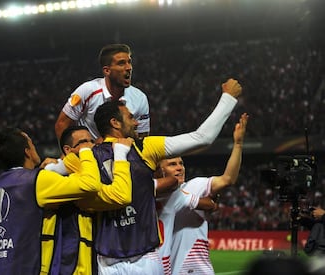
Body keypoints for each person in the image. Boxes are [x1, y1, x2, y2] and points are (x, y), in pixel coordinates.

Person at [91, 78, 242, 274]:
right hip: (142, 261)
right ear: (114, 123)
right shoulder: (144, 147)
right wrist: (228, 99)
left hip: (108, 260)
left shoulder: (88, 157)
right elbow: (202, 138)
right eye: (130, 117)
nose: (136, 122)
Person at [0, 127, 132, 275]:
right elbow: (90, 184)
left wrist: (59, 167)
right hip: (28, 268)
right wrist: (84, 152)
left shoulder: (0, 184)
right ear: (27, 151)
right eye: (32, 144)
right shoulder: (38, 180)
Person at [156, 113, 248, 275]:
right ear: (159, 170)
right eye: (172, 164)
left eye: (181, 163)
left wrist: (238, 144)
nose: (179, 167)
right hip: (169, 268)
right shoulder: (151, 194)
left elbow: (227, 179)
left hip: (195, 268)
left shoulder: (194, 186)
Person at [41, 125, 134, 275]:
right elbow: (120, 195)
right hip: (65, 266)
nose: (90, 146)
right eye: (84, 142)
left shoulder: (93, 176)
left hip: (91, 265)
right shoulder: (64, 181)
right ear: (68, 149)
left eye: (92, 141)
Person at [55, 43, 150, 142]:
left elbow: (142, 136)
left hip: (122, 152)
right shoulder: (87, 91)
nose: (129, 67)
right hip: (89, 154)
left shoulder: (140, 98)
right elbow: (62, 124)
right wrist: (69, 154)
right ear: (107, 71)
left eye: (129, 62)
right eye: (121, 63)